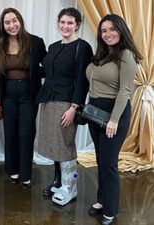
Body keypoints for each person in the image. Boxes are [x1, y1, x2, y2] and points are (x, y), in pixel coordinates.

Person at [86, 14, 142, 225]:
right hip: (95, 112)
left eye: (112, 29)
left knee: (109, 163)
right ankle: (101, 200)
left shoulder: (126, 54)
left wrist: (114, 120)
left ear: (120, 30)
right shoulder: (101, 53)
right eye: (103, 30)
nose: (108, 34)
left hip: (114, 113)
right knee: (101, 159)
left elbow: (125, 90)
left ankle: (111, 208)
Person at [36, 8, 93, 205]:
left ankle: (71, 186)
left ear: (77, 25)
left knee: (66, 145)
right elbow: (48, 72)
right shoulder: (53, 46)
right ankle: (58, 180)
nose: (65, 26)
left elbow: (82, 80)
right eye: (62, 22)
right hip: (49, 100)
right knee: (54, 145)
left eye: (70, 23)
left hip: (67, 103)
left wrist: (74, 107)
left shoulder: (82, 47)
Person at [0, 8, 47, 189]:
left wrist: (35, 74)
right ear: (3, 25)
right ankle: (13, 170)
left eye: (14, 21)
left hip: (28, 95)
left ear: (20, 21)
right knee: (10, 133)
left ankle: (26, 173)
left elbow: (46, 66)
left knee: (26, 133)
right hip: (7, 95)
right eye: (7, 23)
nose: (11, 25)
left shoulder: (35, 42)